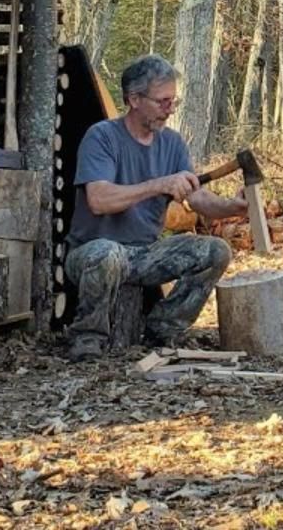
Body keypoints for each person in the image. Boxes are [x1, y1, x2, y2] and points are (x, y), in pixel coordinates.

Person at [64, 54, 246, 362]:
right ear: (134, 99)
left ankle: (163, 329)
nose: (169, 109)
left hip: (145, 253)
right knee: (108, 253)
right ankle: (88, 338)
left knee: (215, 251)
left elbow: (197, 198)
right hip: (90, 253)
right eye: (162, 101)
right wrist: (159, 185)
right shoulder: (102, 137)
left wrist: (234, 207)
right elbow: (98, 200)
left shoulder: (172, 143)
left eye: (173, 101)